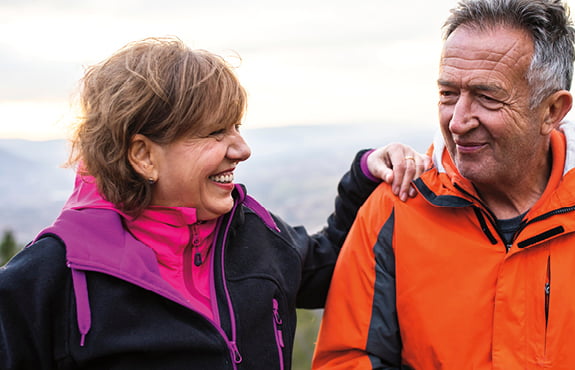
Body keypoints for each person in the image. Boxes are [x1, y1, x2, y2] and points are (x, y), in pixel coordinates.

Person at [0, 37, 430, 369]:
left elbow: (330, 268)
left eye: (236, 128)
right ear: (144, 155)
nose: (241, 149)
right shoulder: (49, 280)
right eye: (214, 133)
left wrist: (365, 174)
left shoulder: (253, 231)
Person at [312, 0, 575, 368]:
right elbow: (347, 358)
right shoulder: (395, 206)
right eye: (448, 94)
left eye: (487, 97)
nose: (458, 121)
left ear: (552, 111)